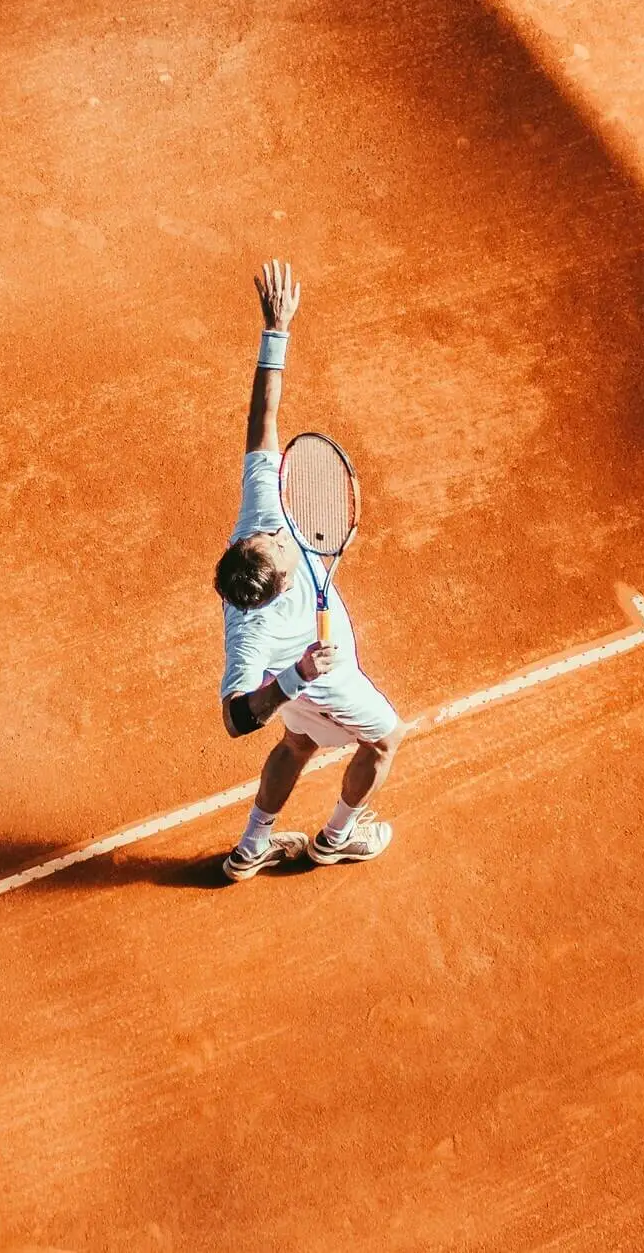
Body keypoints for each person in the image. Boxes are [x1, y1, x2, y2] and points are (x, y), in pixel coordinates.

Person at [213, 260, 409, 882]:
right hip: (322, 681)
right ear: (275, 587)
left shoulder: (259, 517)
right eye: (278, 545)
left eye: (269, 534)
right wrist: (297, 678)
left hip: (302, 686)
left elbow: (261, 423)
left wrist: (277, 329)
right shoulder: (252, 634)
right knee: (385, 739)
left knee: (297, 743)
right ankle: (336, 838)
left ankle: (251, 848)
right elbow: (236, 717)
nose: (281, 531)